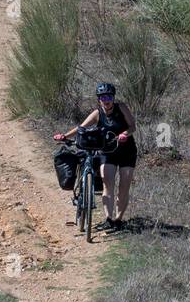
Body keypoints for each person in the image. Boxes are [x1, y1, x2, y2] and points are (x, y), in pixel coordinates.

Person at [53, 82, 137, 231]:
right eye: (103, 97)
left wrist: (125, 134)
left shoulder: (121, 108)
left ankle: (118, 220)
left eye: (109, 96)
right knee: (107, 185)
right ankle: (109, 219)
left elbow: (132, 126)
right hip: (107, 152)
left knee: (124, 187)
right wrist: (64, 136)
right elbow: (81, 129)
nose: (107, 100)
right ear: (99, 99)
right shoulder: (98, 113)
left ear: (113, 97)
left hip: (127, 151)